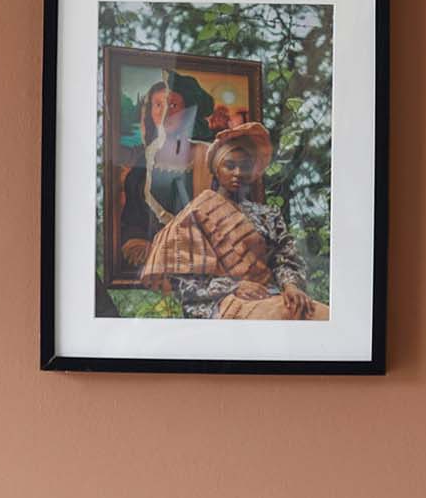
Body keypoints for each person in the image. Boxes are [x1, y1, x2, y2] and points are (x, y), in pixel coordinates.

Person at [141, 121, 328, 321]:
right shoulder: (195, 213)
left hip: (270, 294)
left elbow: (285, 258)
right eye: (230, 165)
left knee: (321, 315)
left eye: (245, 166)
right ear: (216, 168)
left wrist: (291, 287)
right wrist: (235, 287)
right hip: (218, 304)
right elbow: (184, 281)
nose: (238, 173)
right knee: (277, 317)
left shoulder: (268, 215)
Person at [116, 74, 213, 267]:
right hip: (151, 257)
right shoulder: (145, 160)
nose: (166, 113)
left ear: (189, 111)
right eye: (159, 105)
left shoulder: (207, 156)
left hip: (199, 258)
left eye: (174, 106)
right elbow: (133, 217)